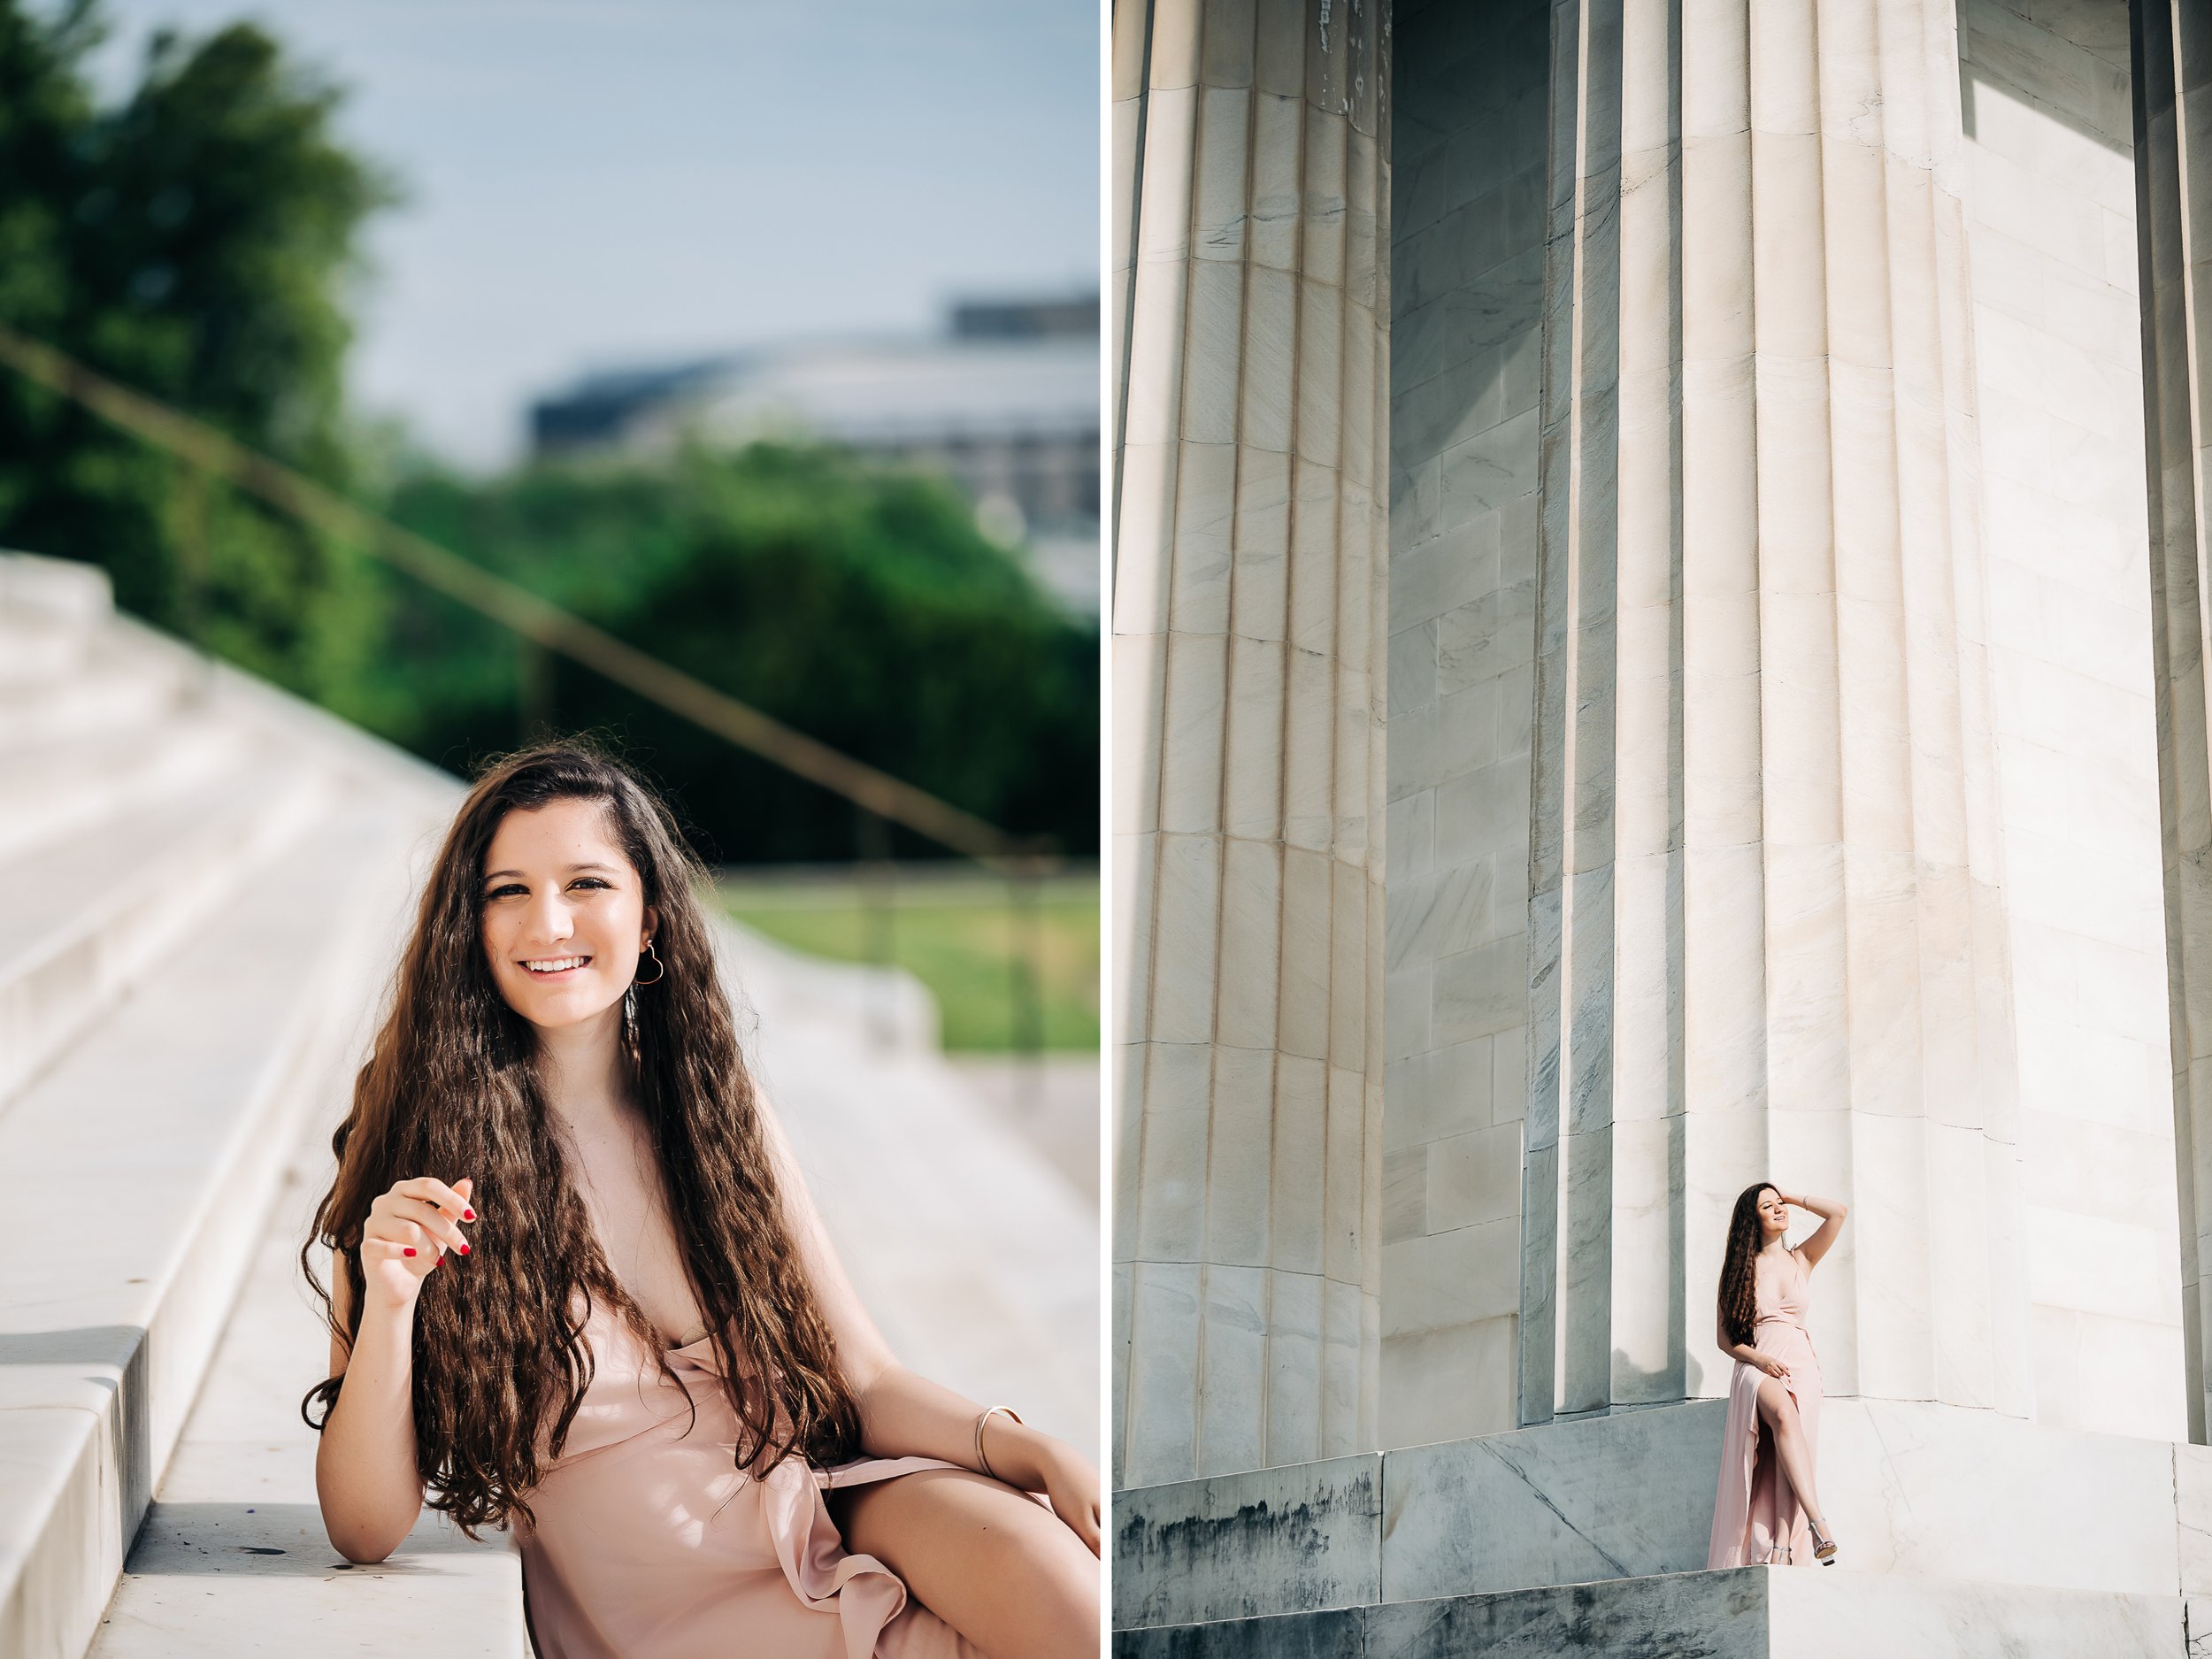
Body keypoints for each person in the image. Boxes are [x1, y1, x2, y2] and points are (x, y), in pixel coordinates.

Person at [300, 743, 1100, 1657]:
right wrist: (392, 1303)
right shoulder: (419, 1150)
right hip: (675, 1614)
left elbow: (861, 1380)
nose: (548, 922)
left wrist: (1023, 1448)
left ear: (648, 919)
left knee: (1069, 1595)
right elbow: (363, 1528)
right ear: (469, 926)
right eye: (507, 891)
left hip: (830, 1505)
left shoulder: (713, 1114)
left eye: (587, 883)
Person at [1707, 1182, 1848, 1570]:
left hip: (1800, 1361)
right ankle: (1819, 1522)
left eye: (1778, 1204)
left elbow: (1838, 1212)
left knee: (1792, 1447)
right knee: (1784, 1416)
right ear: (1753, 1219)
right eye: (1767, 1207)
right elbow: (1724, 1340)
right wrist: (1760, 1360)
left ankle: (1784, 1546)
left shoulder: (1802, 1258)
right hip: (1757, 1363)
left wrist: (1791, 1196)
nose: (1778, 1210)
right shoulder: (1738, 1270)